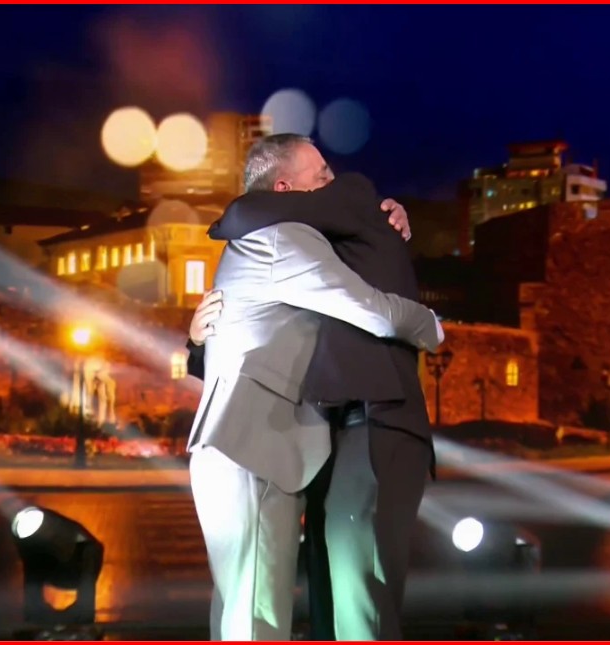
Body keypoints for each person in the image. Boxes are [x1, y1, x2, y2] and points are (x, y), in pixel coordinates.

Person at [186, 133, 443, 642]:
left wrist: (386, 223)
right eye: (321, 174)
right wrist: (430, 325)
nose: (333, 183)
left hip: (247, 444)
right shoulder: (282, 237)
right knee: (256, 613)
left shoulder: (266, 236)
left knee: (246, 607)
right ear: (284, 189)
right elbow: (371, 309)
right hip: (255, 445)